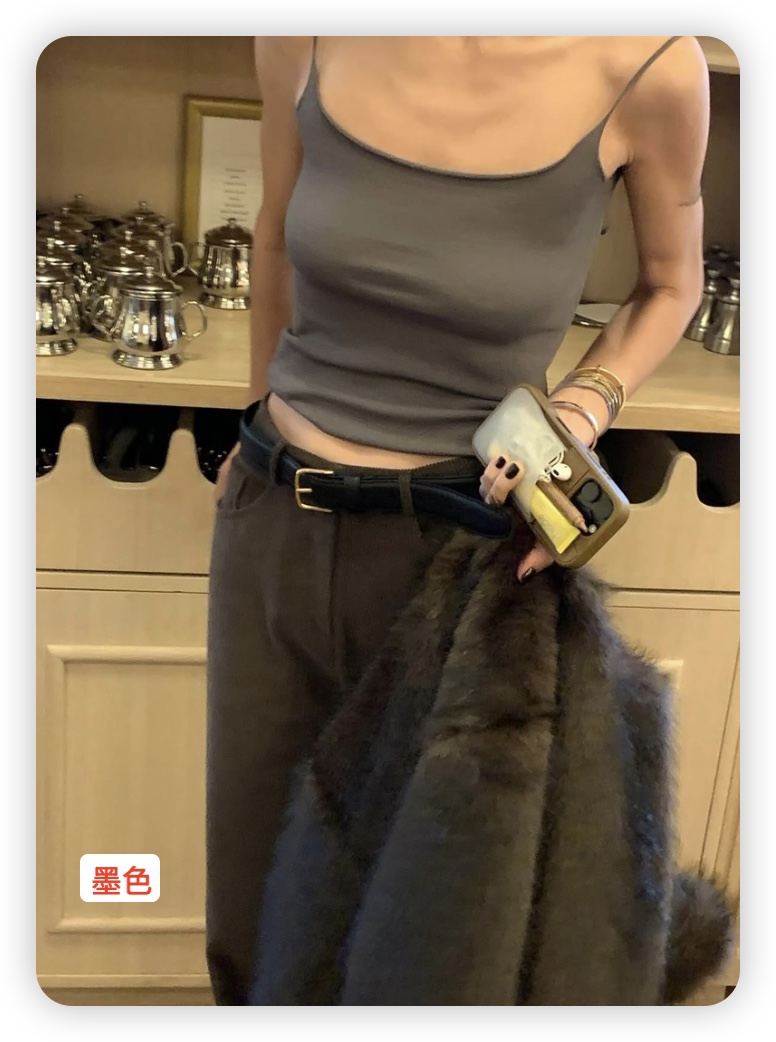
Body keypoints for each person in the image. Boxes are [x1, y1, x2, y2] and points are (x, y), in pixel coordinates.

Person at [206, 35, 710, 1005]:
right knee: (248, 922)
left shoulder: (647, 64)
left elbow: (669, 284)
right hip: (274, 527)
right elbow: (274, 233)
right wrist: (254, 417)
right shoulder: (300, 30)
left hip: (460, 566)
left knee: (425, 954)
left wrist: (581, 406)